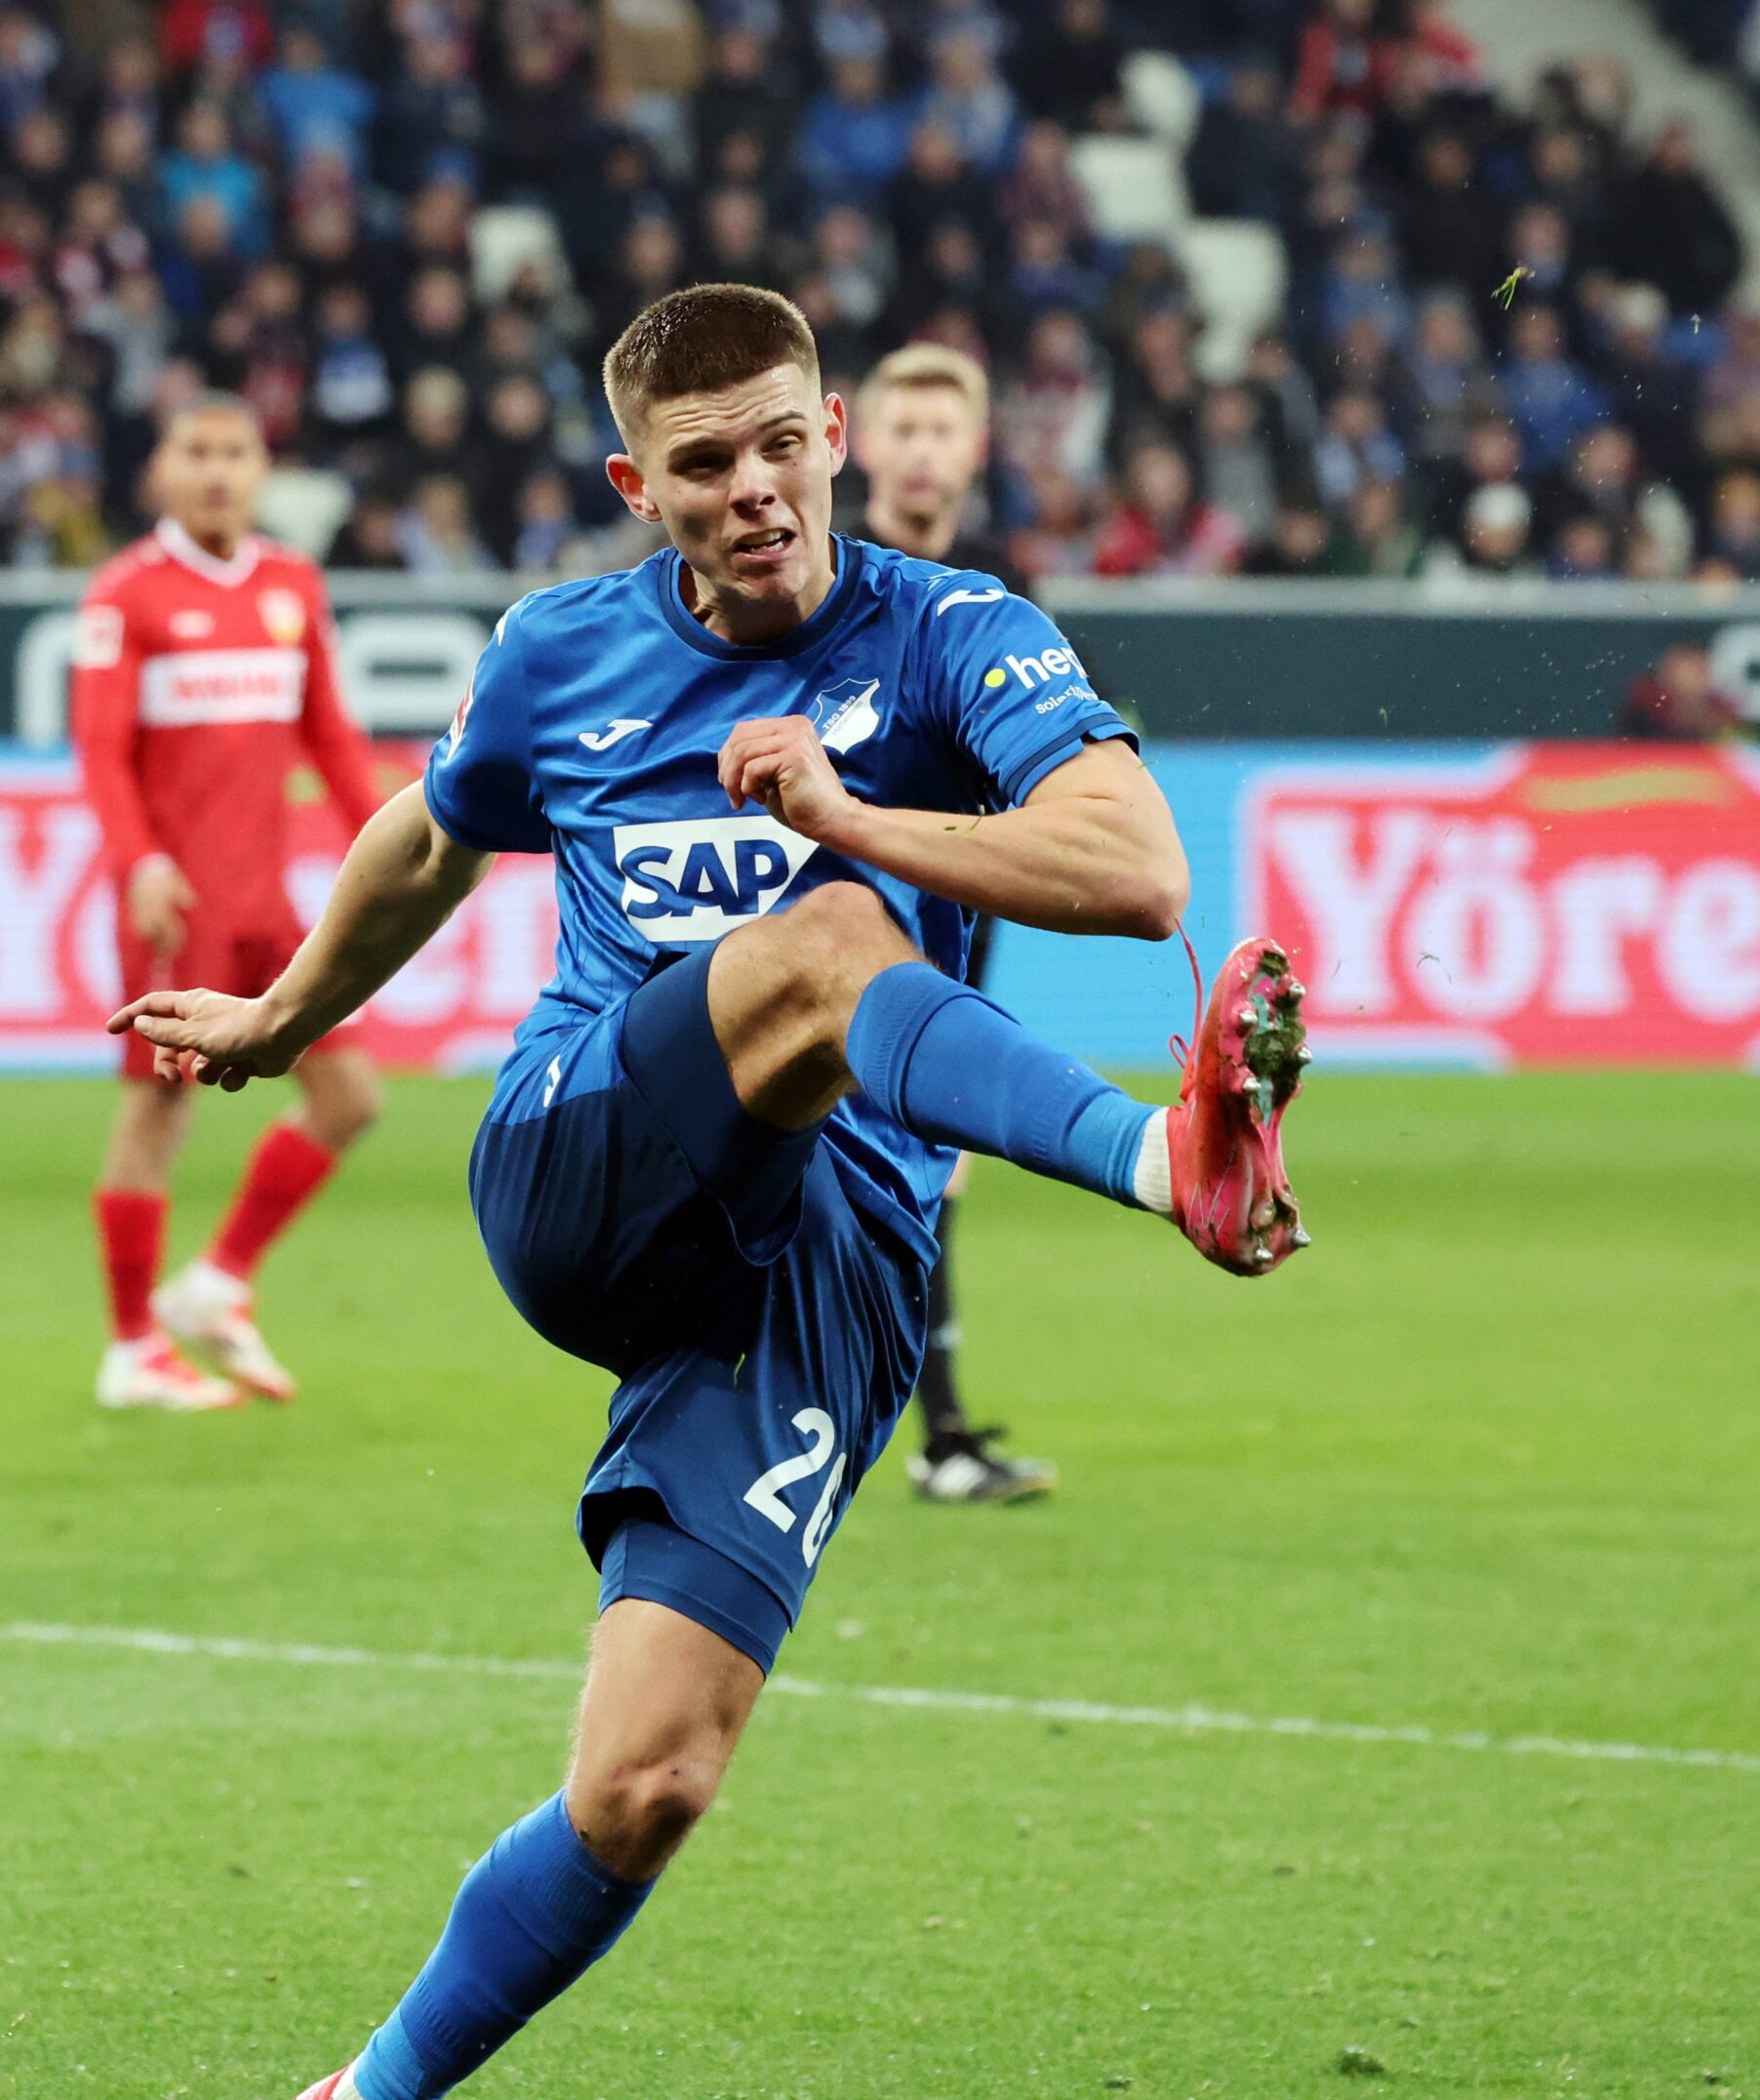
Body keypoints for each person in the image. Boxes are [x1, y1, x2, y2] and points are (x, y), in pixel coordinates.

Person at [110, 283, 1311, 2100]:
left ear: (831, 438)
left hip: (818, 1262)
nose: (753, 488)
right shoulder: (562, 652)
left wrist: (855, 814)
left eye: (777, 443)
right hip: (588, 1161)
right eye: (702, 463)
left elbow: (1142, 875)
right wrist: (285, 1021)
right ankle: (1168, 1159)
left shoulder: (953, 635)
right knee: (825, 946)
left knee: (646, 1783)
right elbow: (435, 833)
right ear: (635, 483)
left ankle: (359, 2094)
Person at [73, 393, 385, 1412]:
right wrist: (139, 864)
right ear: (162, 466)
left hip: (269, 907)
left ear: (262, 469)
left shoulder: (291, 584)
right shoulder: (127, 595)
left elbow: (331, 736)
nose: (216, 472)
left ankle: (213, 1285)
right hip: (179, 903)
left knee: (348, 1098)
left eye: (235, 453)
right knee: (159, 1109)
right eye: (196, 452)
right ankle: (129, 1348)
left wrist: (392, 843)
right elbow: (102, 754)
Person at [851, 341, 1057, 1504]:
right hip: (825, 924)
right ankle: (929, 1438)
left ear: (973, 452)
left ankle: (935, 1439)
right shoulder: (818, 575)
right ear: (865, 443)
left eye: (945, 432)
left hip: (956, 929)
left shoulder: (1001, 592)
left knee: (930, 1177)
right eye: (906, 429)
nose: (924, 452)